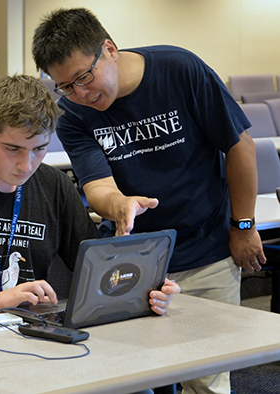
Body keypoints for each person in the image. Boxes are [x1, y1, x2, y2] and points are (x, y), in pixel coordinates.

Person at [31, 8, 263, 394]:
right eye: (66, 86)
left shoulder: (180, 70)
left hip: (206, 248)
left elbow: (239, 145)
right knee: (131, 374)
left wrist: (243, 224)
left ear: (109, 49)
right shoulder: (73, 113)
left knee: (206, 381)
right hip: (133, 259)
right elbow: (97, 185)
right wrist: (119, 204)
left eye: (84, 78)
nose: (81, 94)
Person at [0, 74, 179, 317]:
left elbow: (96, 274)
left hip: (28, 330)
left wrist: (145, 288)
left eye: (39, 149)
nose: (26, 166)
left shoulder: (54, 187)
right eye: (13, 149)